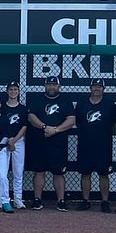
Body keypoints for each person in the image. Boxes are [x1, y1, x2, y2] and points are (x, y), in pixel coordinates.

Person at [27, 76, 76, 211]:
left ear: (59, 86)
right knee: (39, 171)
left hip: (58, 142)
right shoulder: (37, 99)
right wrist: (44, 127)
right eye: (49, 85)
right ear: (45, 86)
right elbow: (31, 117)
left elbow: (71, 120)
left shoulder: (65, 101)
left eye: (54, 85)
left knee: (58, 173)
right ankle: (37, 200)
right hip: (39, 141)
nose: (51, 87)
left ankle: (61, 200)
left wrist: (56, 130)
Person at [74, 78, 115, 212]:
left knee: (104, 174)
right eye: (94, 86)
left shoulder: (110, 104)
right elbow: (78, 121)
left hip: (103, 145)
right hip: (85, 144)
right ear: (90, 88)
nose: (96, 89)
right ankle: (85, 200)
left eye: (99, 87)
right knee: (85, 173)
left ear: (103, 89)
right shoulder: (82, 103)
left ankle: (104, 201)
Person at [3, 81, 29, 209]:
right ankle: (4, 198)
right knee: (2, 173)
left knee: (18, 172)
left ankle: (18, 199)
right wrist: (8, 140)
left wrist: (14, 140)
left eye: (15, 89)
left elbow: (24, 126)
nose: (13, 92)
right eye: (11, 89)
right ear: (7, 91)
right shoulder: (1, 107)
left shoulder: (23, 109)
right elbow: (0, 125)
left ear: (18, 92)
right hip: (4, 142)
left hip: (18, 142)